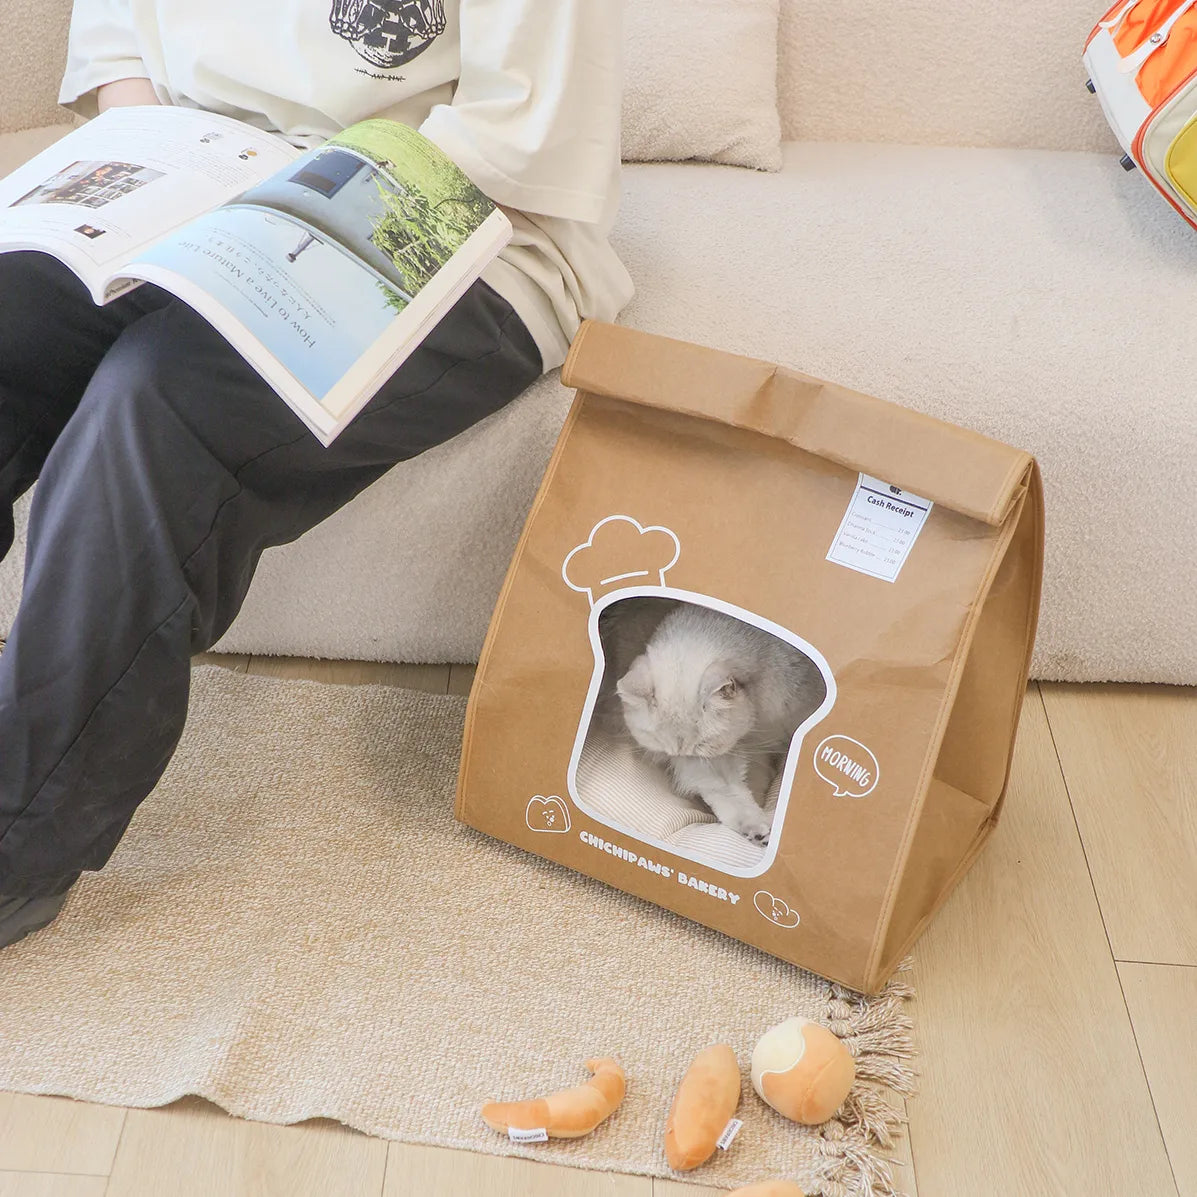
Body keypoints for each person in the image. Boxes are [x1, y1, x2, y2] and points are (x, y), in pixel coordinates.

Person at [0, 0, 633, 948]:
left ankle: (19, 839)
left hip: (461, 226)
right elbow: (120, 49)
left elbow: (521, 141)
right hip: (193, 187)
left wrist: (263, 222)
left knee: (156, 398)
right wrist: (167, 188)